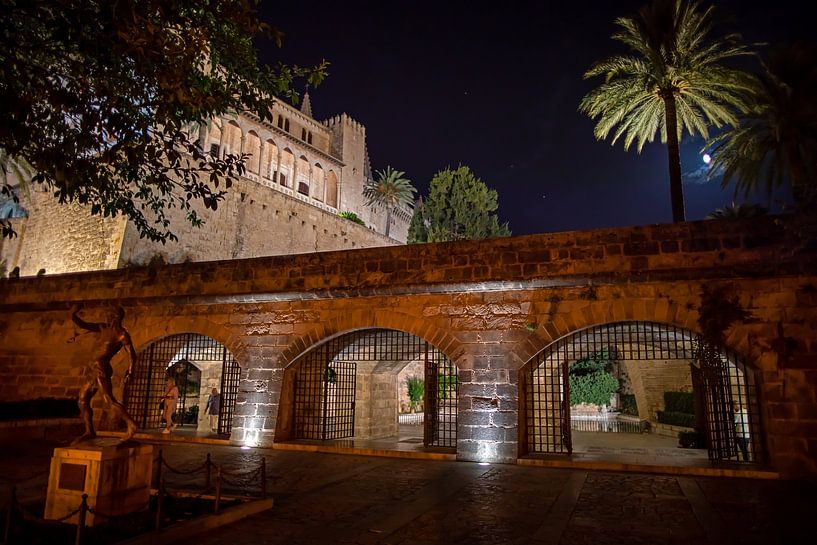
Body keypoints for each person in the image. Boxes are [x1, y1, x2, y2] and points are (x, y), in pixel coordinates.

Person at [71, 305, 138, 444]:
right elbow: (84, 324)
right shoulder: (103, 327)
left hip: (101, 368)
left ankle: (131, 424)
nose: (106, 317)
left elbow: (132, 354)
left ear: (116, 317)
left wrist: (130, 371)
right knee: (82, 400)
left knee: (109, 399)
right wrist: (73, 315)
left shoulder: (122, 334)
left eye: (109, 314)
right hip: (92, 368)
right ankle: (89, 431)